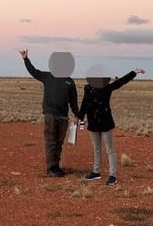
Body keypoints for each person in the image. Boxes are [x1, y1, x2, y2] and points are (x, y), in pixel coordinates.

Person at [79, 67, 145, 185]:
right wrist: (79, 117)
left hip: (106, 123)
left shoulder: (107, 88)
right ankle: (96, 172)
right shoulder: (87, 88)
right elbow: (84, 104)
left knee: (110, 149)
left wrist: (134, 72)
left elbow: (121, 81)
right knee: (97, 148)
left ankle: (112, 175)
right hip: (93, 123)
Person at [20, 49, 79, 177]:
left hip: (63, 116)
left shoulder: (70, 81)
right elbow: (34, 72)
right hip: (50, 114)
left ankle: (56, 166)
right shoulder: (47, 76)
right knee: (51, 141)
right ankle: (51, 168)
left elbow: (73, 101)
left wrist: (76, 115)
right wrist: (26, 59)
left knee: (59, 142)